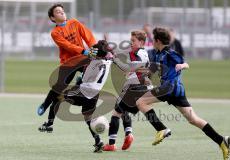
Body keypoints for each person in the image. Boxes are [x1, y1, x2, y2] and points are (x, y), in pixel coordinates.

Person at [136, 27, 230, 160]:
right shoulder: (158, 54)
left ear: (157, 40)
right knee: (193, 120)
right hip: (177, 92)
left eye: (153, 39)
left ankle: (161, 129)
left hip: (170, 88)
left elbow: (185, 63)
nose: (152, 41)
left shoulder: (169, 53)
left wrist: (182, 66)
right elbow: (155, 70)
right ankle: (221, 141)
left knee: (140, 102)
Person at [37, 3, 97, 132]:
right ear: (53, 18)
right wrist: (84, 51)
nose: (62, 12)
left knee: (92, 73)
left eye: (62, 11)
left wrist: (94, 48)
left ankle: (81, 80)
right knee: (58, 90)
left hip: (82, 60)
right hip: (68, 63)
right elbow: (68, 46)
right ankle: (46, 108)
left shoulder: (74, 23)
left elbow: (88, 36)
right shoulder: (55, 32)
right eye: (58, 12)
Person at [58, 40, 113, 152]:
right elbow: (110, 56)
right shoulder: (108, 61)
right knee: (87, 117)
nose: (91, 53)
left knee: (60, 96)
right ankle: (98, 142)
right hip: (95, 93)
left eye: (94, 52)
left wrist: (80, 78)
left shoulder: (94, 63)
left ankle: (49, 121)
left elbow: (84, 79)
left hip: (84, 91)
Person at [103, 30, 152, 151]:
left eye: (133, 41)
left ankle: (111, 144)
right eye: (130, 40)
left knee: (116, 112)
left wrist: (114, 60)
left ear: (140, 42)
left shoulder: (137, 54)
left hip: (135, 87)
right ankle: (128, 134)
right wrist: (110, 49)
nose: (131, 43)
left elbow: (127, 67)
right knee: (123, 110)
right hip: (143, 87)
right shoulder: (142, 52)